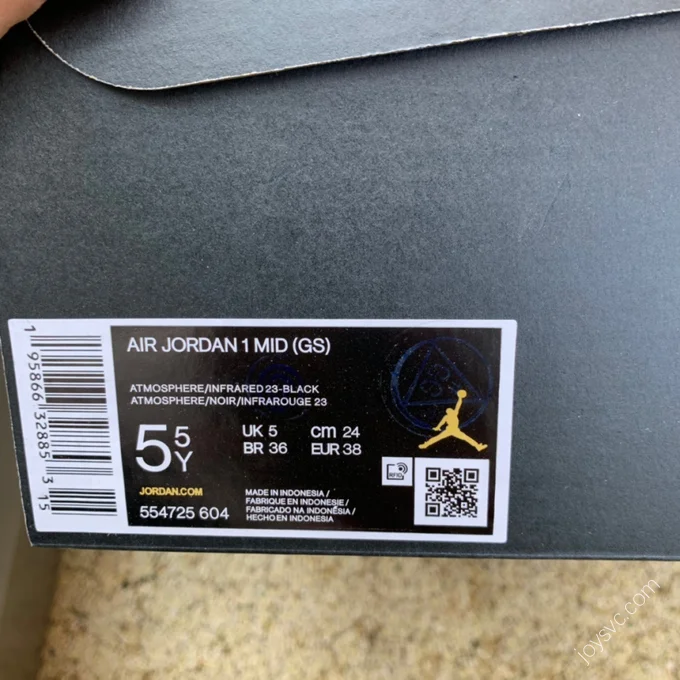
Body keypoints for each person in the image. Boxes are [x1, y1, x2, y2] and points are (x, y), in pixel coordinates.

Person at [418, 389, 488, 452]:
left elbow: (458, 405)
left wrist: (460, 398)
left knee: (466, 438)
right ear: (447, 412)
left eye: (450, 410)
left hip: (455, 430)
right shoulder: (447, 416)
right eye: (448, 410)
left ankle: (478, 446)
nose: (450, 410)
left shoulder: (454, 413)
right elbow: (442, 422)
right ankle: (425, 445)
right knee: (437, 438)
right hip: (449, 430)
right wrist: (437, 427)